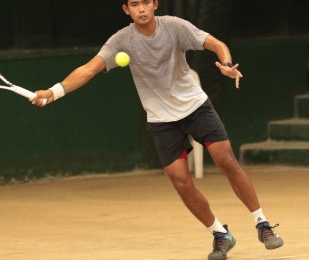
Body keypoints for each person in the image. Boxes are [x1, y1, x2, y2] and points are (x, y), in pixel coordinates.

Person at [31, 0, 284, 259]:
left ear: (154, 4)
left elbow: (215, 43)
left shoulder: (174, 27)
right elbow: (88, 69)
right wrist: (54, 92)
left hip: (195, 106)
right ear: (126, 10)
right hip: (162, 120)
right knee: (181, 181)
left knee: (226, 160)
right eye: (134, 4)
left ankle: (262, 223)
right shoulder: (121, 40)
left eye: (145, 3)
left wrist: (227, 64)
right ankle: (221, 234)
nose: (141, 9)